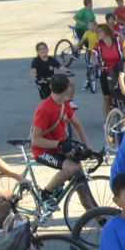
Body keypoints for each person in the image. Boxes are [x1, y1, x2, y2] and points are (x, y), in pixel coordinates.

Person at [29, 73, 96, 206]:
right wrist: (59, 144)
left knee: (81, 184)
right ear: (67, 90)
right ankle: (45, 193)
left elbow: (77, 125)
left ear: (50, 86)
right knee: (71, 168)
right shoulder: (44, 109)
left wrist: (89, 148)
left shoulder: (64, 104)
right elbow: (35, 140)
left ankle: (99, 219)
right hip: (42, 150)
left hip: (59, 147)